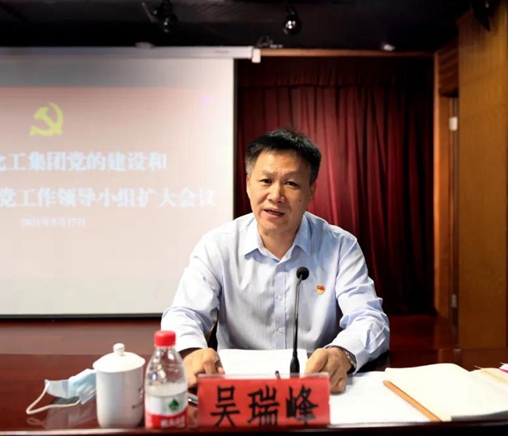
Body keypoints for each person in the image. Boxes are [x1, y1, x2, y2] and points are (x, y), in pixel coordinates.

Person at [160, 128, 390, 393]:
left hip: (316, 388)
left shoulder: (340, 246)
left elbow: (369, 318)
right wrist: (190, 352)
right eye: (266, 181)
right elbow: (184, 313)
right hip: (237, 390)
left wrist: (343, 354)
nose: (276, 195)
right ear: (248, 184)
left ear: (311, 190)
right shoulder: (217, 245)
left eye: (291, 183)